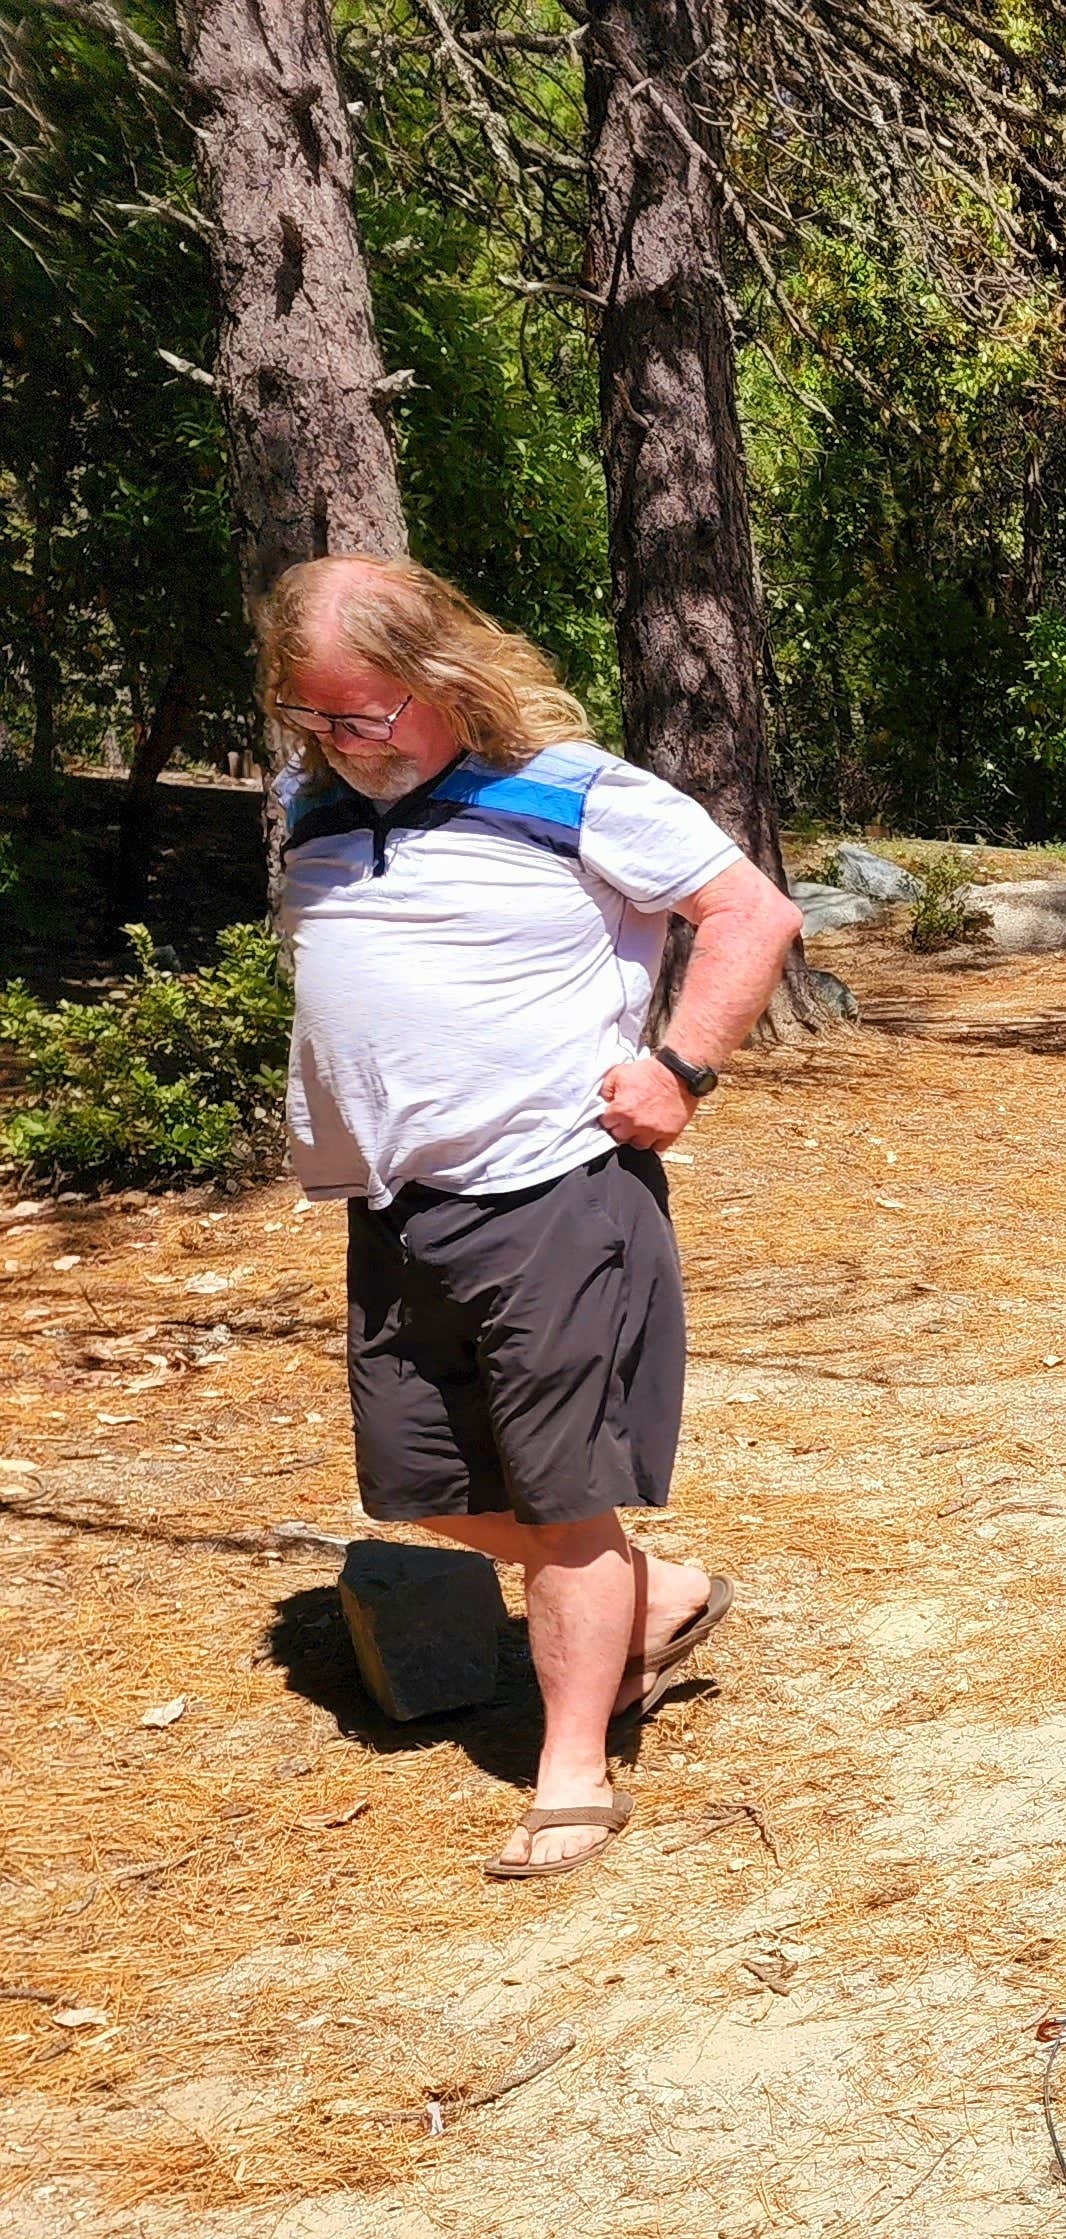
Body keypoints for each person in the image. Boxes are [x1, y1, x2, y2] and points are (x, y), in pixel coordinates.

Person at [262, 556, 803, 1876]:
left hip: (556, 1189)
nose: (342, 743)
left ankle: (572, 1775)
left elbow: (749, 909)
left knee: (564, 1502)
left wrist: (679, 1068)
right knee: (421, 1486)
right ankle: (654, 1594)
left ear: (450, 680)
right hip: (396, 1209)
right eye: (316, 717)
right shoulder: (312, 805)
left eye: (367, 714)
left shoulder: (575, 790)